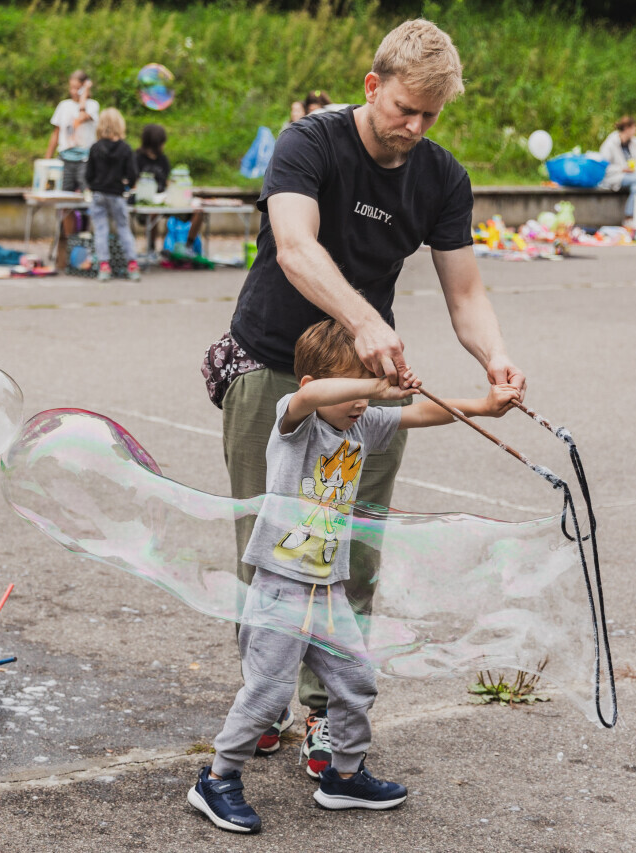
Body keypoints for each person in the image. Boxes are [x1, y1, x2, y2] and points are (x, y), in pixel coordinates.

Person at [201, 19, 526, 776]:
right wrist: (365, 319)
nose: (414, 128)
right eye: (404, 109)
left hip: (368, 385)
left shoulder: (441, 177)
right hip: (274, 366)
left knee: (353, 552)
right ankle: (262, 703)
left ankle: (329, 713)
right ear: (373, 86)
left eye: (430, 116)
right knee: (271, 547)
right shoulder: (309, 143)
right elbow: (296, 247)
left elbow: (466, 291)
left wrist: (495, 357)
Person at [190, 319, 521, 833]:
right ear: (313, 384)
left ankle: (343, 776)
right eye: (352, 390)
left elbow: (421, 412)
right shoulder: (295, 422)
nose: (361, 403)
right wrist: (376, 386)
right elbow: (311, 396)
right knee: (268, 693)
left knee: (355, 682)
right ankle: (217, 780)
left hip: (327, 589)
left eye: (366, 392)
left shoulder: (361, 426)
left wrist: (482, 405)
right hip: (280, 586)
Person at [85, 108, 141, 282]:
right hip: (117, 194)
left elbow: (88, 174)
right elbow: (132, 174)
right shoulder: (125, 148)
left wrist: (93, 185)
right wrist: (128, 185)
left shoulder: (95, 147)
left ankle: (104, 266)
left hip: (98, 194)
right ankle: (132, 264)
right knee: (123, 228)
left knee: (101, 230)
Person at [134, 123, 205, 259]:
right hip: (147, 201)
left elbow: (168, 181)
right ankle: (151, 248)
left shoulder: (163, 159)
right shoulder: (137, 158)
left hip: (165, 198)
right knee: (153, 212)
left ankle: (188, 246)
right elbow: (134, 182)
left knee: (198, 211)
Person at [45, 70, 100, 193]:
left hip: (85, 159)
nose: (74, 92)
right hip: (65, 158)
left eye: (78, 88)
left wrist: (85, 94)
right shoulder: (63, 105)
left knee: (86, 192)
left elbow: (81, 117)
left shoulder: (92, 105)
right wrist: (47, 160)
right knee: (62, 193)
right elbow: (56, 133)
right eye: (72, 88)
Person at [598, 115, 636, 225]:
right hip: (613, 177)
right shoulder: (610, 143)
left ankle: (628, 218)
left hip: (632, 176)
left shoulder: (634, 143)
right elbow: (603, 166)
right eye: (634, 128)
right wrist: (622, 169)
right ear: (627, 128)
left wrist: (633, 169)